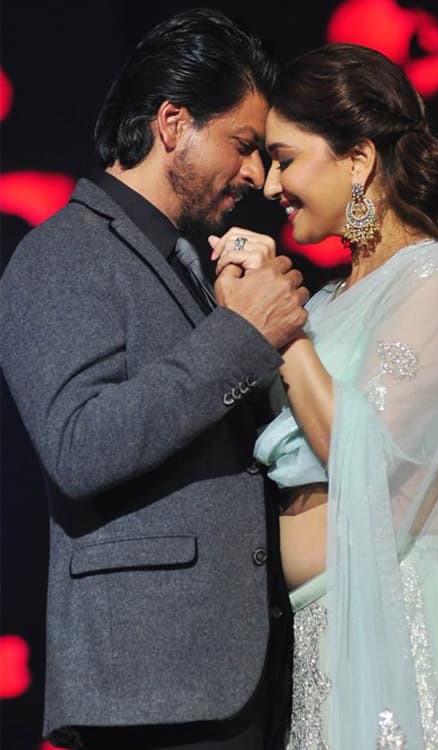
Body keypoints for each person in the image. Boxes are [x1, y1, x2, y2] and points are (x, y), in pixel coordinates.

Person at [211, 44, 438, 749]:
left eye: (285, 157)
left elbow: (361, 451)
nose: (271, 184)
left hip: (406, 630)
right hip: (325, 635)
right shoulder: (339, 297)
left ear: (359, 160)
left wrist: (285, 331)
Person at [0, 9, 309, 750]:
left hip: (236, 681)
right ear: (173, 123)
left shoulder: (188, 260)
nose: (258, 176)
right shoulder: (63, 253)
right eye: (242, 145)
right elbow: (80, 446)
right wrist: (240, 338)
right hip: (149, 693)